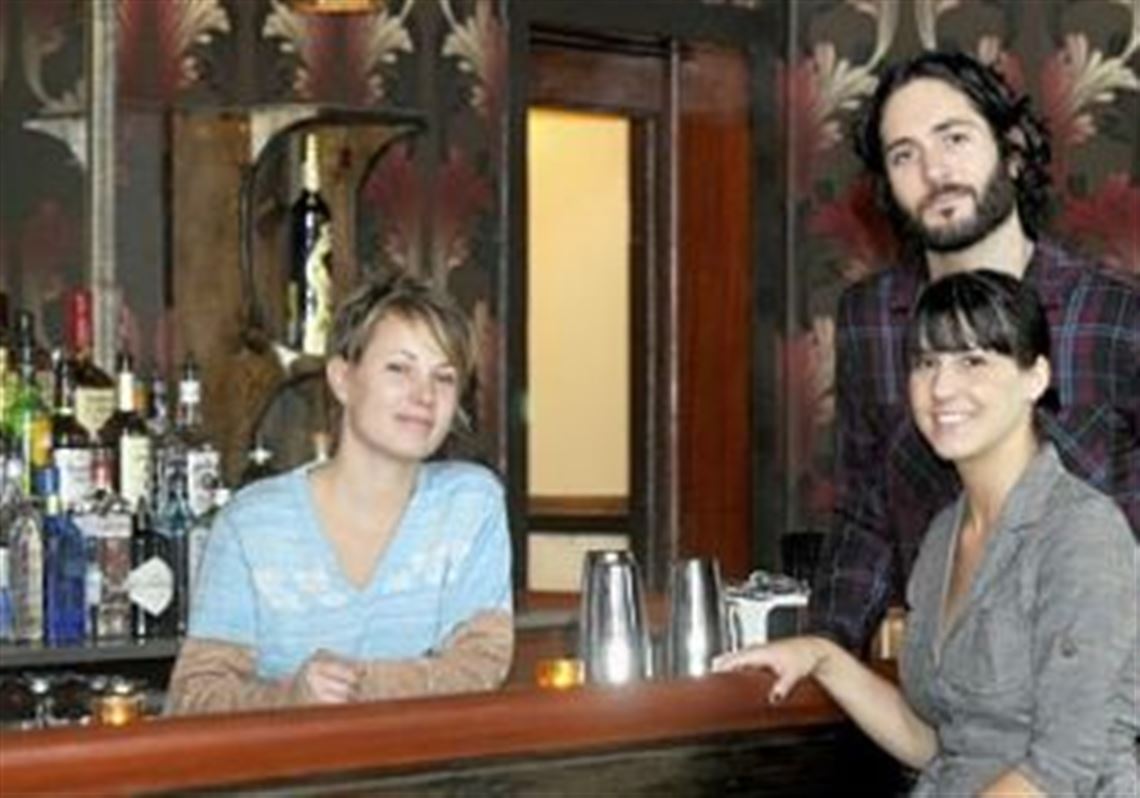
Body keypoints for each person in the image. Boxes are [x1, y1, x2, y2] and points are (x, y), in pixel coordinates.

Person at [718, 270, 1138, 797]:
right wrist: (823, 659)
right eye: (925, 363)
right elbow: (941, 744)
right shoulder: (945, 533)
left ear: (1036, 377)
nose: (941, 388)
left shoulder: (1080, 533)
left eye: (973, 361)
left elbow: (1061, 770)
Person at [808, 50, 1139, 652]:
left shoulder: (1113, 314)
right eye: (903, 155)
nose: (934, 171)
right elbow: (864, 513)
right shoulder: (870, 319)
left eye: (954, 138)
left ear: (1012, 149)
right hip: (945, 678)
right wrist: (825, 650)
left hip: (1098, 671)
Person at [166, 275, 513, 713]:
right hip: (293, 760)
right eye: (399, 368)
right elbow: (193, 697)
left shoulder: (470, 503)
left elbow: (479, 665)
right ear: (342, 379)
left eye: (444, 378)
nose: (425, 395)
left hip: (429, 758)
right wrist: (290, 698)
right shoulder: (251, 523)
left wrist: (354, 687)